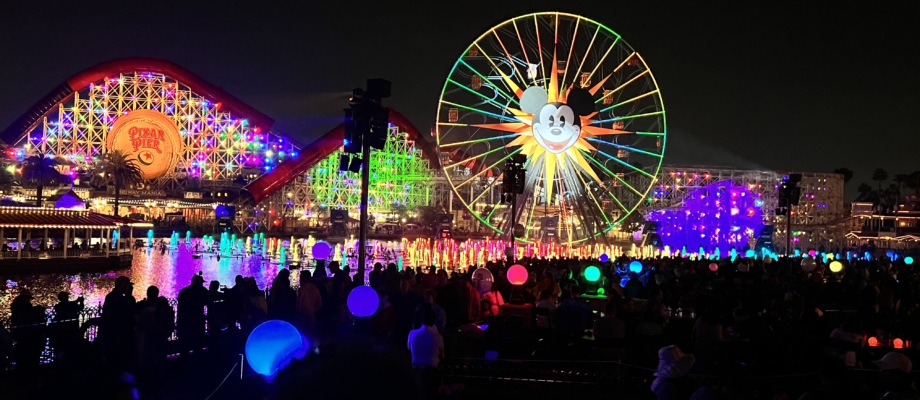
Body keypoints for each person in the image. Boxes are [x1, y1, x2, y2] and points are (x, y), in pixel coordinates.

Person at [135, 286, 174, 373]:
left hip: (148, 336)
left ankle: (147, 374)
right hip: (161, 336)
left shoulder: (142, 306)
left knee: (147, 357)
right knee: (160, 357)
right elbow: (170, 323)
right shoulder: (164, 308)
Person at [101, 276, 137, 369]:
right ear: (123, 286)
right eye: (128, 286)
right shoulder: (119, 299)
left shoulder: (113, 297)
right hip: (118, 336)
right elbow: (128, 313)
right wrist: (129, 296)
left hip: (115, 334)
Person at [10, 289, 45, 368]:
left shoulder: (16, 306)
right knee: (30, 356)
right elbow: (30, 316)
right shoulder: (25, 306)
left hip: (20, 333)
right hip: (28, 334)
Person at [177, 274, 208, 358]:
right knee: (197, 347)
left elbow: (180, 308)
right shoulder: (202, 291)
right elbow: (209, 301)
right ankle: (196, 366)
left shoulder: (183, 291)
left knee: (184, 348)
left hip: (184, 322)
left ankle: (184, 366)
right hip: (197, 322)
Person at [51, 291, 83, 363]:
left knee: (61, 346)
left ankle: (59, 359)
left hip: (61, 329)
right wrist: (80, 301)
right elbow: (80, 307)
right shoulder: (71, 305)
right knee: (70, 346)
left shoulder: (58, 306)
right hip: (71, 328)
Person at [295, 270, 323, 336]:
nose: (300, 279)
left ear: (305, 278)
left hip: (303, 316)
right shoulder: (315, 288)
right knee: (311, 334)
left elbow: (298, 304)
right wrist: (313, 309)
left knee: (303, 333)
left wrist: (297, 313)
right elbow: (319, 303)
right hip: (312, 315)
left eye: (301, 277)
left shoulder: (302, 289)